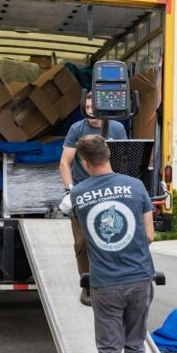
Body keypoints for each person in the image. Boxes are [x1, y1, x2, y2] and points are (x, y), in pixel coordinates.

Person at [68, 135, 155, 353]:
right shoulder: (136, 186)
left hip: (104, 284)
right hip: (139, 279)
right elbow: (147, 235)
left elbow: (82, 242)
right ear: (109, 155)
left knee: (108, 352)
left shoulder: (78, 195)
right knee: (134, 346)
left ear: (84, 163)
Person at [59, 91, 127, 305]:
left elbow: (124, 160)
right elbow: (64, 163)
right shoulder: (77, 129)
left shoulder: (116, 128)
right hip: (82, 191)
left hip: (109, 192)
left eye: (94, 107)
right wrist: (71, 190)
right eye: (87, 108)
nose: (90, 112)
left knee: (111, 239)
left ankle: (112, 285)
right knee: (82, 242)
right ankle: (86, 286)